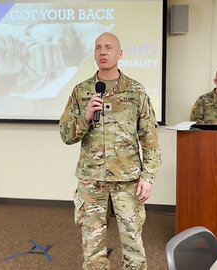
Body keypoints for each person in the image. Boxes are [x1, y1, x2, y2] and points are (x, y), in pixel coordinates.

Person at [59, 32, 161, 270]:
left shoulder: (136, 91)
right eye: (97, 48)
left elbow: (150, 139)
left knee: (133, 244)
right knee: (92, 248)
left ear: (119, 53)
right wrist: (85, 117)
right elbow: (66, 135)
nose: (102, 52)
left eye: (108, 47)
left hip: (128, 180)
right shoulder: (81, 91)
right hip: (92, 181)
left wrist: (148, 176)